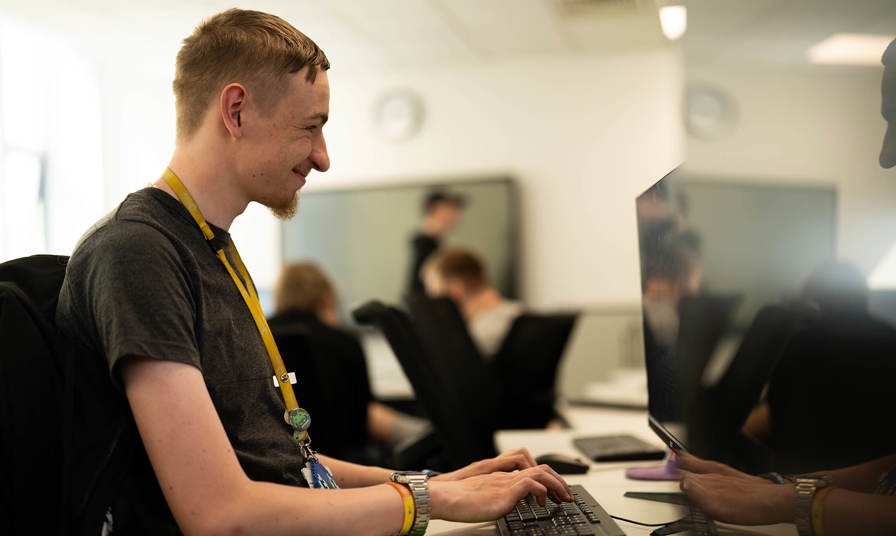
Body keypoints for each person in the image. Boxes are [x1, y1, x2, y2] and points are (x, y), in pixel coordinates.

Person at [55, 9, 571, 534]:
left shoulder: (210, 247)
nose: (323, 158)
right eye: (310, 127)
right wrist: (428, 501)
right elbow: (220, 514)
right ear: (236, 111)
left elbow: (290, 466)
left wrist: (436, 483)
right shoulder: (138, 252)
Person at [679, 36, 896, 534]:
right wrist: (780, 487)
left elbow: (766, 424)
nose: (885, 156)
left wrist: (787, 502)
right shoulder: (890, 339)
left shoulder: (804, 345)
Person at [267, 261, 429, 460]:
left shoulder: (259, 339)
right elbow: (362, 419)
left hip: (278, 458)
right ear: (327, 297)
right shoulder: (343, 342)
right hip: (341, 459)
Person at [421, 246, 523, 358]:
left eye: (433, 290)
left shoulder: (477, 339)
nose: (431, 299)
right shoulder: (521, 314)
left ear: (455, 289)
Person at [407, 190, 465, 294]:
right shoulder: (425, 247)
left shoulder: (434, 246)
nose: (454, 214)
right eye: (447, 209)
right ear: (432, 210)